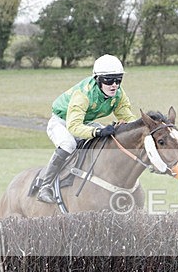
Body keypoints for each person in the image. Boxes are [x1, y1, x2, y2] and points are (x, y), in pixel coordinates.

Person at [36, 54, 134, 204]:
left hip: (85, 122)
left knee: (107, 138)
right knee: (69, 144)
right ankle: (45, 185)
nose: (114, 84)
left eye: (118, 79)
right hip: (61, 122)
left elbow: (128, 117)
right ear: (97, 80)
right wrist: (97, 131)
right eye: (108, 80)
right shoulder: (83, 94)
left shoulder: (118, 94)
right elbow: (73, 126)